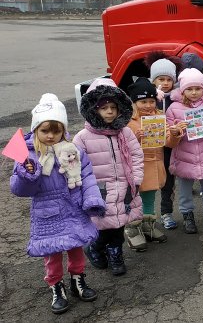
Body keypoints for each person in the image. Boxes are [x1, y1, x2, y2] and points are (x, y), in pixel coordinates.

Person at [10, 94, 105, 314]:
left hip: (74, 210)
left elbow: (87, 176)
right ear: (35, 130)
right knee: (52, 255)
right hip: (47, 214)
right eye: (45, 131)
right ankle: (56, 286)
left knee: (76, 249)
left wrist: (92, 199)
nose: (51, 135)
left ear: (63, 130)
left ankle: (78, 280)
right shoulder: (28, 156)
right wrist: (27, 175)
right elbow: (19, 190)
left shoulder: (73, 151)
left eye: (56, 130)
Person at [74, 78, 144, 275]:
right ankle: (95, 247)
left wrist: (136, 180)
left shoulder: (125, 132)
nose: (110, 112)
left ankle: (115, 254)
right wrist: (84, 189)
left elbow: (137, 155)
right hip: (99, 190)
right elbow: (77, 165)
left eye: (113, 107)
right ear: (93, 109)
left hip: (124, 187)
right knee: (103, 226)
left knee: (119, 223)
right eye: (104, 108)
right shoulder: (82, 137)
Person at [165, 68, 203, 234]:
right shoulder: (174, 108)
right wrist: (177, 130)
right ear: (182, 90)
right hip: (183, 156)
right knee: (184, 191)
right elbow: (169, 132)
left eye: (198, 88)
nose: (194, 92)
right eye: (189, 89)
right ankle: (187, 217)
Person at [126, 78, 177, 246]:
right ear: (134, 103)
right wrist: (135, 138)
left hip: (155, 165)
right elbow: (122, 147)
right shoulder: (128, 122)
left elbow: (169, 143)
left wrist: (175, 134)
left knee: (149, 199)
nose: (148, 105)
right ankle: (133, 230)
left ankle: (148, 227)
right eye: (143, 102)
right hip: (136, 168)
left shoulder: (159, 117)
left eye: (151, 101)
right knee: (134, 201)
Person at [144, 52, 181, 231]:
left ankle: (166, 213)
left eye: (169, 79)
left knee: (168, 181)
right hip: (152, 147)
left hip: (171, 145)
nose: (165, 83)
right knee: (150, 182)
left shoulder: (179, 98)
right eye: (161, 79)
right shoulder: (149, 100)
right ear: (153, 80)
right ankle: (146, 217)